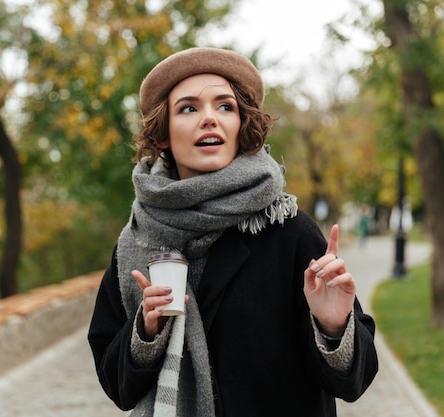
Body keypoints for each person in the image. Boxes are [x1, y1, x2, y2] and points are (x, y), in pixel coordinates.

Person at [88, 47, 378, 417]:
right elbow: (117, 387)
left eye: (225, 107)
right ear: (162, 135)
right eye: (188, 108)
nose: (209, 118)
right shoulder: (135, 243)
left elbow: (352, 384)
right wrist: (145, 333)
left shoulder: (288, 231)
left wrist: (333, 325)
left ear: (241, 126)